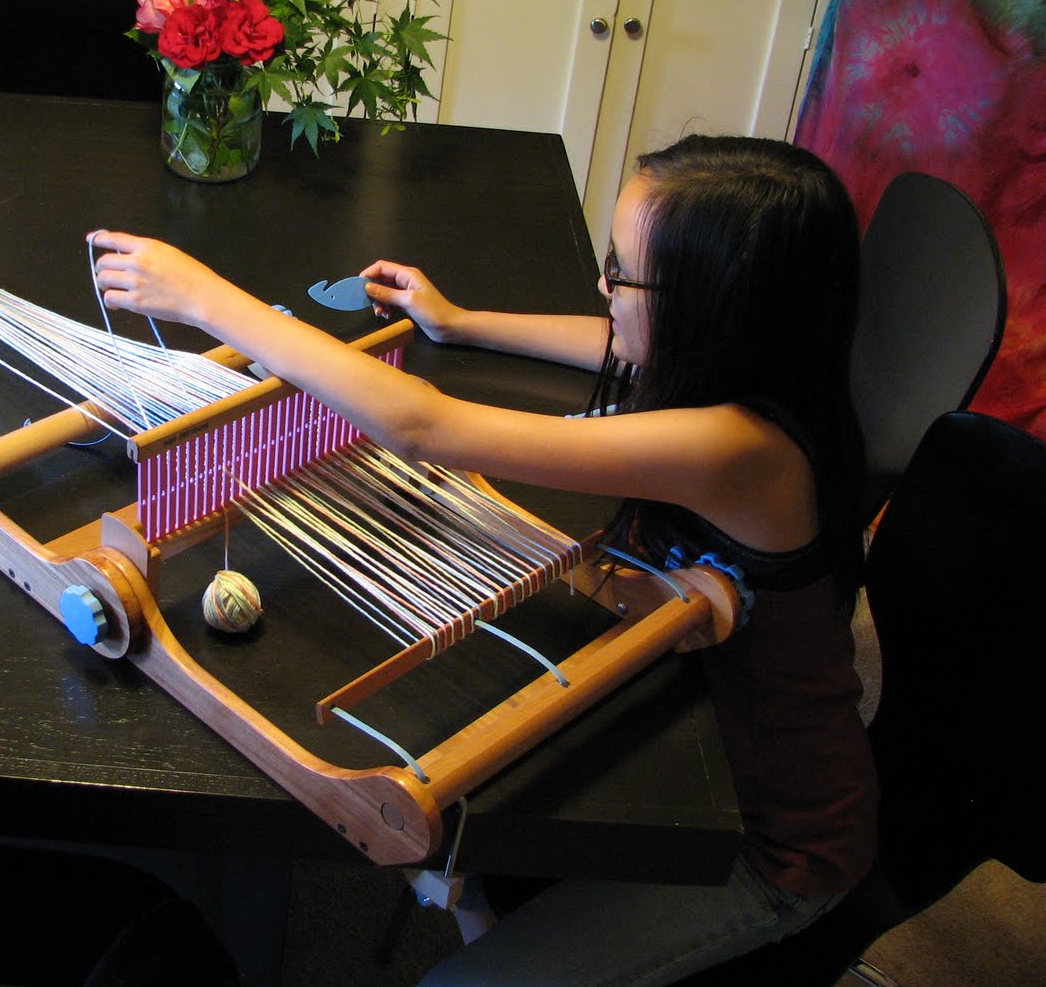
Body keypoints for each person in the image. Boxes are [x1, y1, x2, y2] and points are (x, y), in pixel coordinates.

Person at [90, 134, 876, 986]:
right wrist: (458, 321)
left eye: (624, 271)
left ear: (712, 309)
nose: (602, 284)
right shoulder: (752, 368)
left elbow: (426, 428)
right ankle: (482, 900)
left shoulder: (738, 448)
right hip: (696, 721)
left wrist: (207, 299)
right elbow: (605, 335)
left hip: (764, 847)